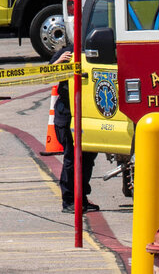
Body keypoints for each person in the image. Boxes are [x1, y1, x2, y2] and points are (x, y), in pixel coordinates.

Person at [51, 47, 99, 214]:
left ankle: (82, 198)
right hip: (67, 114)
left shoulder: (94, 52)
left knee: (87, 159)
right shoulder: (68, 53)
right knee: (72, 158)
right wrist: (59, 62)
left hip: (87, 113)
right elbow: (46, 75)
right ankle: (69, 200)